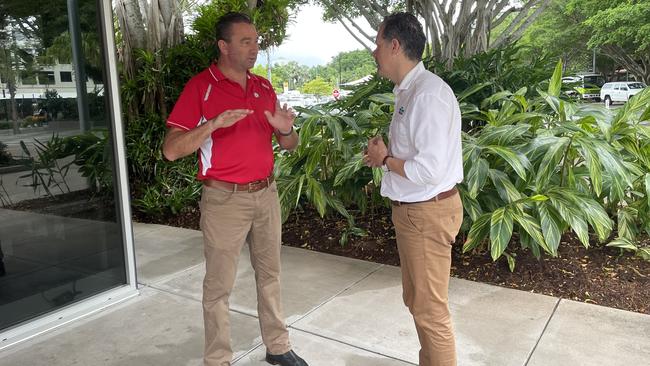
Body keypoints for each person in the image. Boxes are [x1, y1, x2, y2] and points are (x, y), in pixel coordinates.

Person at [162, 12, 308, 366]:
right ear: (223, 46)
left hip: (266, 194)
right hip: (224, 199)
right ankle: (218, 359)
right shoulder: (201, 87)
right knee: (218, 287)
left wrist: (286, 130)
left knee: (270, 274)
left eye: (256, 41)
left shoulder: (263, 87)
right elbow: (171, 149)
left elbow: (290, 145)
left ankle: (277, 346)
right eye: (246, 41)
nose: (255, 48)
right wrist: (212, 124)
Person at [364, 12, 464, 366]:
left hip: (426, 212)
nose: (373, 52)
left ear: (394, 45)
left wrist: (385, 158)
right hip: (417, 214)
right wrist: (387, 156)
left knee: (429, 312)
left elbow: (428, 170)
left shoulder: (427, 95)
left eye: (377, 44)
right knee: (420, 304)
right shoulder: (411, 92)